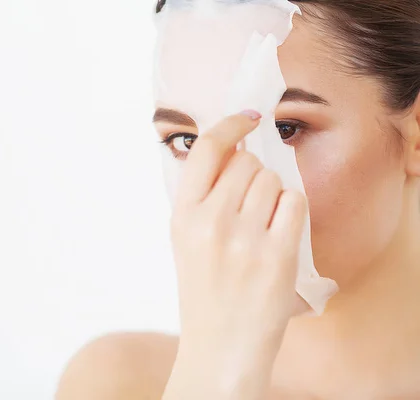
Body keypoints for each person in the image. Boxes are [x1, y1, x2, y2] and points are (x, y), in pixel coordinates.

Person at [56, 0, 420, 398]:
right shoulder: (122, 383)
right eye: (187, 141)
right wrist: (216, 374)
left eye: (284, 129)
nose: (226, 184)